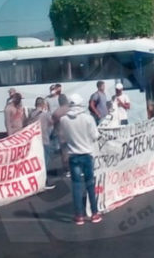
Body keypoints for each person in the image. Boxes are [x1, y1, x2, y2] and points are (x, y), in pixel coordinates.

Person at [60, 94, 102, 225]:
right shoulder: (88, 118)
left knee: (77, 187)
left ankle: (79, 216)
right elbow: (95, 136)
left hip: (73, 155)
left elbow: (64, 138)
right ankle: (94, 214)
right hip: (87, 154)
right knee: (90, 185)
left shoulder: (63, 120)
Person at [28, 97, 56, 190]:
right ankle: (44, 182)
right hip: (44, 140)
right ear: (43, 105)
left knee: (37, 162)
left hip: (34, 141)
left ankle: (36, 181)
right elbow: (52, 124)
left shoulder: (31, 114)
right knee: (45, 162)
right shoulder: (45, 115)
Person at [52, 94, 72, 178]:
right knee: (74, 151)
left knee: (64, 153)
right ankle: (76, 167)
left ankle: (67, 170)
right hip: (72, 133)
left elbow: (53, 123)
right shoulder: (71, 110)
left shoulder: (57, 112)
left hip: (62, 134)